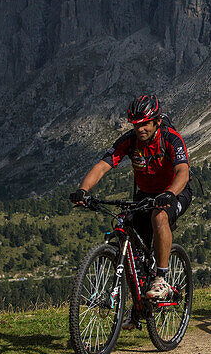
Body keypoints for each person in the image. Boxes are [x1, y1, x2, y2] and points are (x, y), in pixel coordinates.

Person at [70, 95, 192, 304]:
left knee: (159, 217)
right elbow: (102, 166)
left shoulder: (171, 138)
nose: (140, 129)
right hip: (144, 195)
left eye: (145, 123)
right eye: (136, 125)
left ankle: (161, 278)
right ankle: (136, 307)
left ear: (157, 121)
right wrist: (83, 190)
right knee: (127, 235)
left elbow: (183, 171)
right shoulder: (129, 140)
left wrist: (170, 193)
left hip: (175, 190)